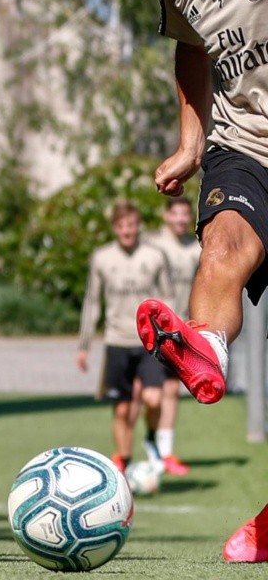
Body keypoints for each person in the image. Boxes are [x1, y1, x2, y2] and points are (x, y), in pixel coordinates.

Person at [135, 0, 268, 562]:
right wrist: (193, 142)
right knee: (221, 242)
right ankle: (206, 349)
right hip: (243, 146)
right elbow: (188, 52)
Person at [77, 201, 173, 475]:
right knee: (121, 409)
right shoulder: (102, 258)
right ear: (115, 228)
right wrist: (83, 345)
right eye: (121, 227)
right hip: (116, 341)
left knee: (153, 399)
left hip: (149, 342)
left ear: (138, 226)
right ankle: (125, 461)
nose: (127, 231)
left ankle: (151, 437)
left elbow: (167, 298)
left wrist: (170, 336)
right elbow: (92, 301)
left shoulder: (154, 256)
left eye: (131, 225)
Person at [141, 196, 201, 475]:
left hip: (182, 331)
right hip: (153, 330)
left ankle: (165, 451)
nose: (180, 219)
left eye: (184, 215)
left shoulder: (196, 248)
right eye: (175, 214)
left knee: (172, 390)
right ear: (166, 216)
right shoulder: (151, 246)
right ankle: (148, 439)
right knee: (144, 394)